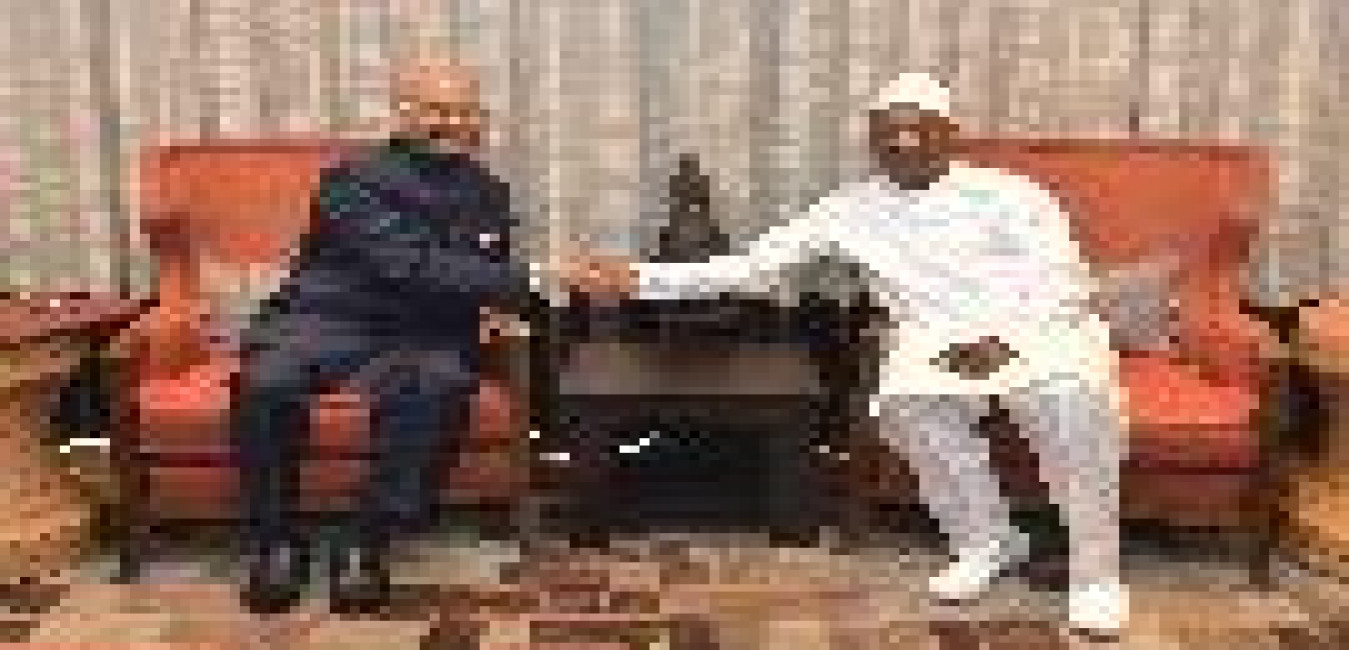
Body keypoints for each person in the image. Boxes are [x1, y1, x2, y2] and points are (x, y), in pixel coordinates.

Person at [562, 73, 1127, 638]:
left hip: (1041, 329)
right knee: (907, 405)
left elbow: (1061, 279)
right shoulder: (849, 209)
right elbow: (753, 268)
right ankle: (987, 540)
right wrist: (638, 279)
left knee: (1068, 400)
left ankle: (1096, 575)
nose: (903, 143)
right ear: (872, 142)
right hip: (934, 337)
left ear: (950, 134)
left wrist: (1006, 342)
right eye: (889, 134)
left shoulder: (1013, 194)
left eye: (918, 130)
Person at [233, 59, 530, 615]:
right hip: (328, 318)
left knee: (440, 383)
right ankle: (276, 539)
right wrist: (530, 278)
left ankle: (366, 539)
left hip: (426, 328)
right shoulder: (354, 177)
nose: (454, 123)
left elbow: (488, 274)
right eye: (438, 110)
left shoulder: (490, 192)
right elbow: (404, 263)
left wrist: (510, 297)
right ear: (403, 112)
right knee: (266, 381)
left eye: (467, 112)